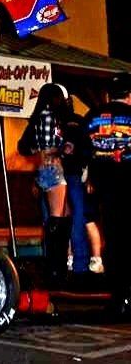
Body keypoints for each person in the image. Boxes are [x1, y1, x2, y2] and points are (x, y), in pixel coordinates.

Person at [85, 73, 131, 314]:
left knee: (113, 240)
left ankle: (118, 296)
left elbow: (80, 150)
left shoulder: (93, 117)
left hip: (107, 189)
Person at [20, 83, 70, 286]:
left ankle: (57, 265)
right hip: (53, 167)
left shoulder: (39, 116)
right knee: (57, 219)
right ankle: (55, 268)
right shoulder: (50, 116)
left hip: (46, 167)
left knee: (60, 216)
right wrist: (62, 149)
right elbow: (50, 146)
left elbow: (30, 146)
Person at [60, 94, 104, 275]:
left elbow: (86, 151)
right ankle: (85, 260)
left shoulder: (72, 125)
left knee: (82, 219)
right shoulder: (79, 123)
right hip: (77, 176)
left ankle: (84, 260)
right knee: (80, 219)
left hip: (75, 175)